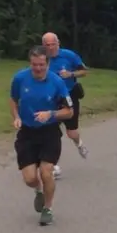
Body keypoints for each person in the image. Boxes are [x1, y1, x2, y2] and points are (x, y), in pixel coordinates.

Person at [10, 46, 74, 226]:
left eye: (41, 65)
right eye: (34, 65)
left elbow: (69, 112)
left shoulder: (57, 82)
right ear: (30, 63)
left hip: (49, 133)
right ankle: (38, 191)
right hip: (27, 133)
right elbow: (13, 99)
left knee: (46, 172)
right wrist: (16, 117)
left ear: (48, 63)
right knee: (30, 178)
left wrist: (51, 114)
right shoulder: (20, 78)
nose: (38, 69)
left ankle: (48, 208)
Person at [42, 32, 89, 179]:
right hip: (51, 99)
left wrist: (70, 74)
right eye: (47, 45)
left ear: (58, 43)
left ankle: (80, 144)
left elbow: (84, 71)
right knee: (51, 133)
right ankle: (54, 166)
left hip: (69, 96)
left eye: (53, 44)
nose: (50, 48)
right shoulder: (41, 58)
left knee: (71, 132)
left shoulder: (69, 55)